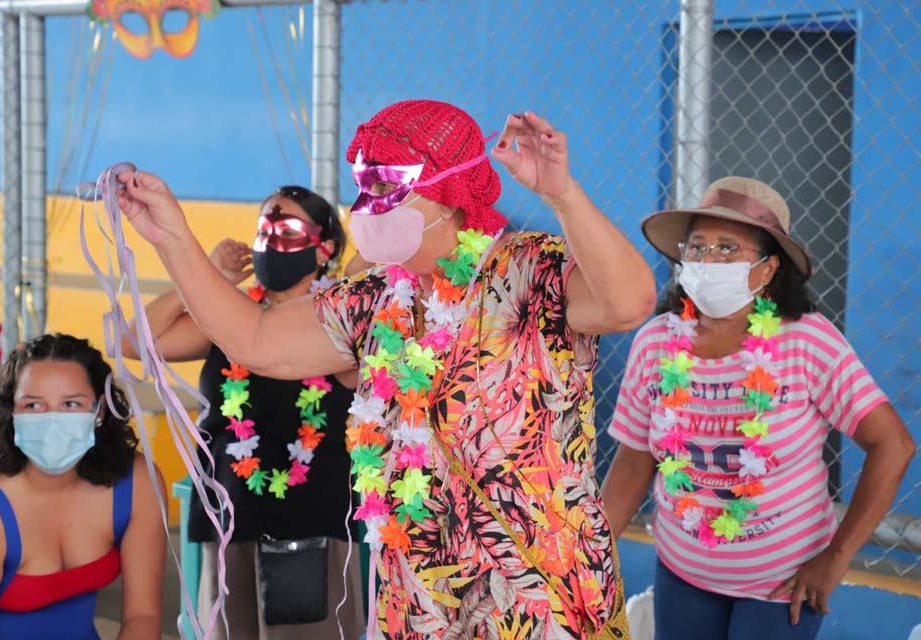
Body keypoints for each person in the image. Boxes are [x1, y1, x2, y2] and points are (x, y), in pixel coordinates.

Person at [115, 99, 656, 639]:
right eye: (363, 185)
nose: (366, 204)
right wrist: (171, 236)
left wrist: (561, 193)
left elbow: (628, 303)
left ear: (448, 187)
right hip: (419, 594)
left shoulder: (523, 268)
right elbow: (257, 340)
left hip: (536, 593)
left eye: (386, 185)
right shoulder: (373, 299)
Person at [601, 177, 916, 640]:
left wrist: (836, 556)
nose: (709, 261)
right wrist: (587, 554)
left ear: (768, 269)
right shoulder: (656, 343)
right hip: (682, 571)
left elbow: (892, 443)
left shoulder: (807, 342)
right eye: (698, 247)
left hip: (781, 585)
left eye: (728, 249)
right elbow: (632, 464)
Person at [121, 185, 366, 640]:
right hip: (231, 518)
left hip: (311, 529)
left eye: (288, 231)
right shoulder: (230, 320)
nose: (271, 243)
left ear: (324, 248)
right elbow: (133, 341)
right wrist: (208, 276)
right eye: (264, 231)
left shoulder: (339, 319)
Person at [0, 333, 166, 639]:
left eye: (71, 403)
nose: (53, 420)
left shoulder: (136, 482)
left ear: (99, 411)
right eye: (33, 405)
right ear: (12, 412)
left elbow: (143, 615)